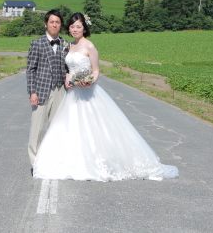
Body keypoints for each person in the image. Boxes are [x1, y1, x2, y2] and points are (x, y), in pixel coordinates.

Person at [33, 12, 179, 181]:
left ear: (84, 28)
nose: (74, 29)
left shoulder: (90, 46)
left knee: (94, 128)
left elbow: (96, 71)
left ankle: (98, 161)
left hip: (87, 92)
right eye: (72, 26)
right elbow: (68, 68)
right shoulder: (69, 46)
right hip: (72, 94)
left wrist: (89, 82)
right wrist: (67, 77)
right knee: (70, 127)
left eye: (78, 26)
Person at [26, 9, 71, 168]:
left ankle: (52, 162)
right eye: (51, 22)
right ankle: (35, 164)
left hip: (60, 91)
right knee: (36, 129)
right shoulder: (36, 43)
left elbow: (68, 68)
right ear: (46, 24)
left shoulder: (66, 44)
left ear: (60, 25)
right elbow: (31, 69)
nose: (54, 25)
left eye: (57, 22)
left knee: (56, 128)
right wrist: (32, 92)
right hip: (41, 91)